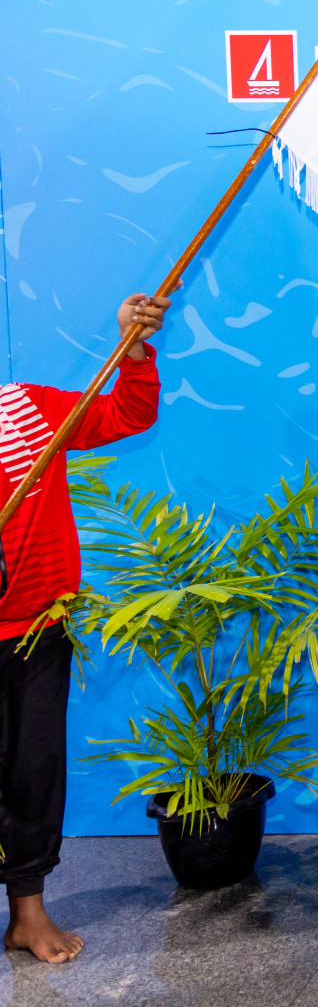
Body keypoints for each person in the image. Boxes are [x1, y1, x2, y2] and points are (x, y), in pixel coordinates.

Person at [1, 291, 172, 962]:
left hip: (38, 628)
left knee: (34, 771)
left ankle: (27, 914)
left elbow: (129, 412)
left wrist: (131, 345)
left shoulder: (26, 409)